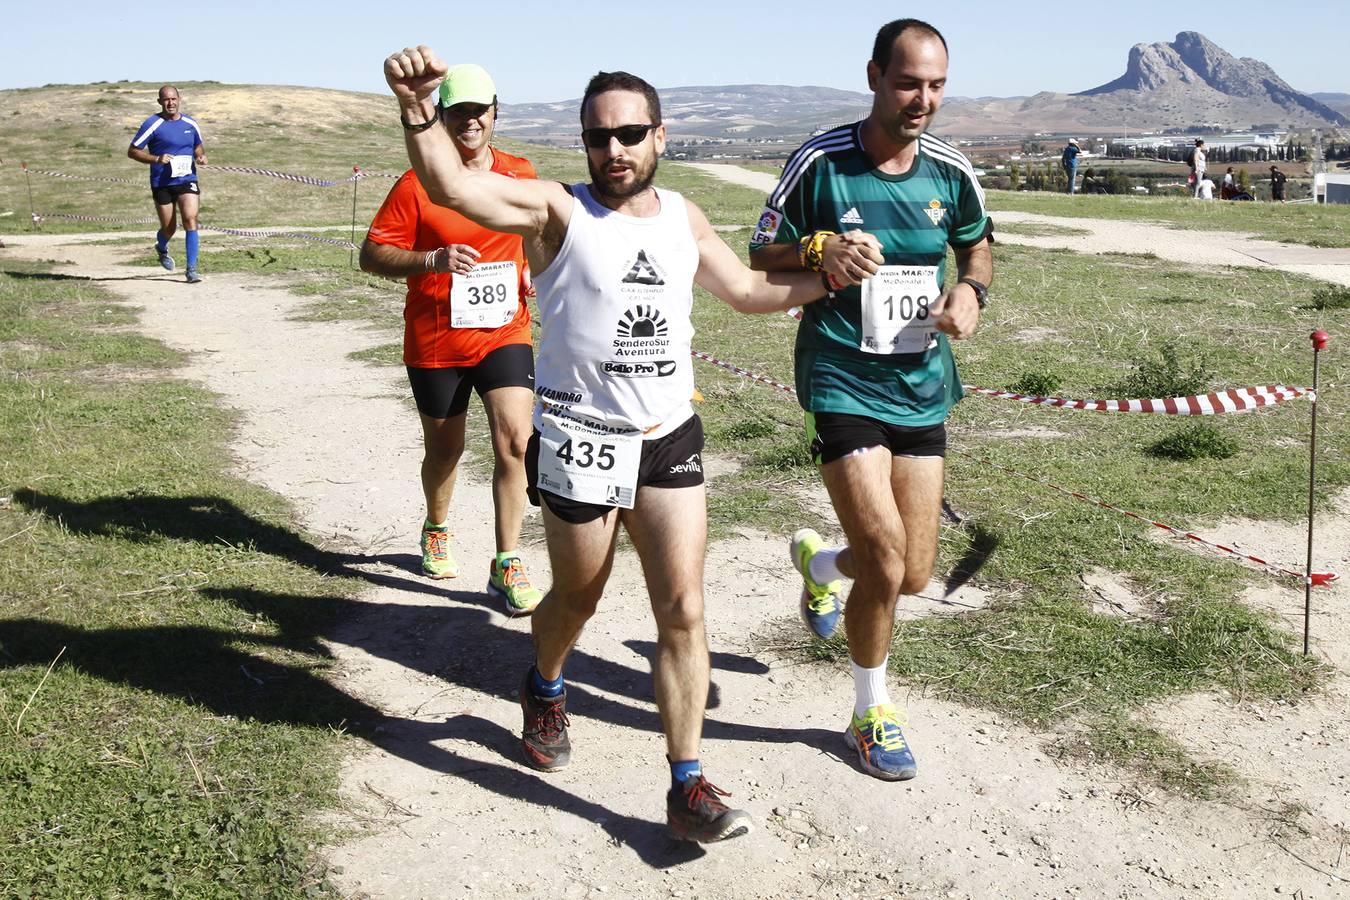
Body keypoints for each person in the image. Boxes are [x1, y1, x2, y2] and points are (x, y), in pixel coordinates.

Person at [383, 45, 854, 843]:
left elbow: (745, 291)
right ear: (585, 143)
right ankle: (544, 683)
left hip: (668, 437)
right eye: (600, 137)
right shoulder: (555, 211)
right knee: (578, 598)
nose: (615, 151)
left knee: (683, 608)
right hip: (579, 440)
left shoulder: (683, 217)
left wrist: (833, 278)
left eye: (631, 134)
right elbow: (452, 185)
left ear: (659, 138)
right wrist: (419, 111)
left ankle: (687, 783)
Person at [747, 17, 993, 783]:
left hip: (920, 381)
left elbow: (977, 240)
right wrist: (820, 248)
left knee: (911, 572)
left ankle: (822, 563)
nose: (923, 99)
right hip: (841, 376)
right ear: (875, 77)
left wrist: (971, 290)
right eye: (909, 82)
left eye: (936, 85)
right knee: (885, 558)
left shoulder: (950, 169)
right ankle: (870, 711)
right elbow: (760, 248)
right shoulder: (822, 161)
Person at [360, 64, 544, 616]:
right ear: (441, 115)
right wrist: (430, 259)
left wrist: (534, 267)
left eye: (479, 110)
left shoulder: (519, 172)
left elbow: (536, 233)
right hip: (437, 339)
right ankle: (436, 525)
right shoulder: (416, 184)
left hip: (504, 332)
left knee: (516, 441)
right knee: (445, 450)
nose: (470, 121)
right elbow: (373, 255)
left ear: (495, 112)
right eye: (458, 111)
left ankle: (507, 561)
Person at [127, 85, 206, 283]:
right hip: (162, 182)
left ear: (179, 99)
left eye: (173, 99)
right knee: (169, 228)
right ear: (160, 102)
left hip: (187, 179)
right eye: (166, 100)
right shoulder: (152, 124)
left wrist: (200, 156)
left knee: (190, 219)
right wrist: (156, 159)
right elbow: (133, 151)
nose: (170, 103)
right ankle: (161, 247)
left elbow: (197, 145)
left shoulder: (190, 123)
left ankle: (191, 269)